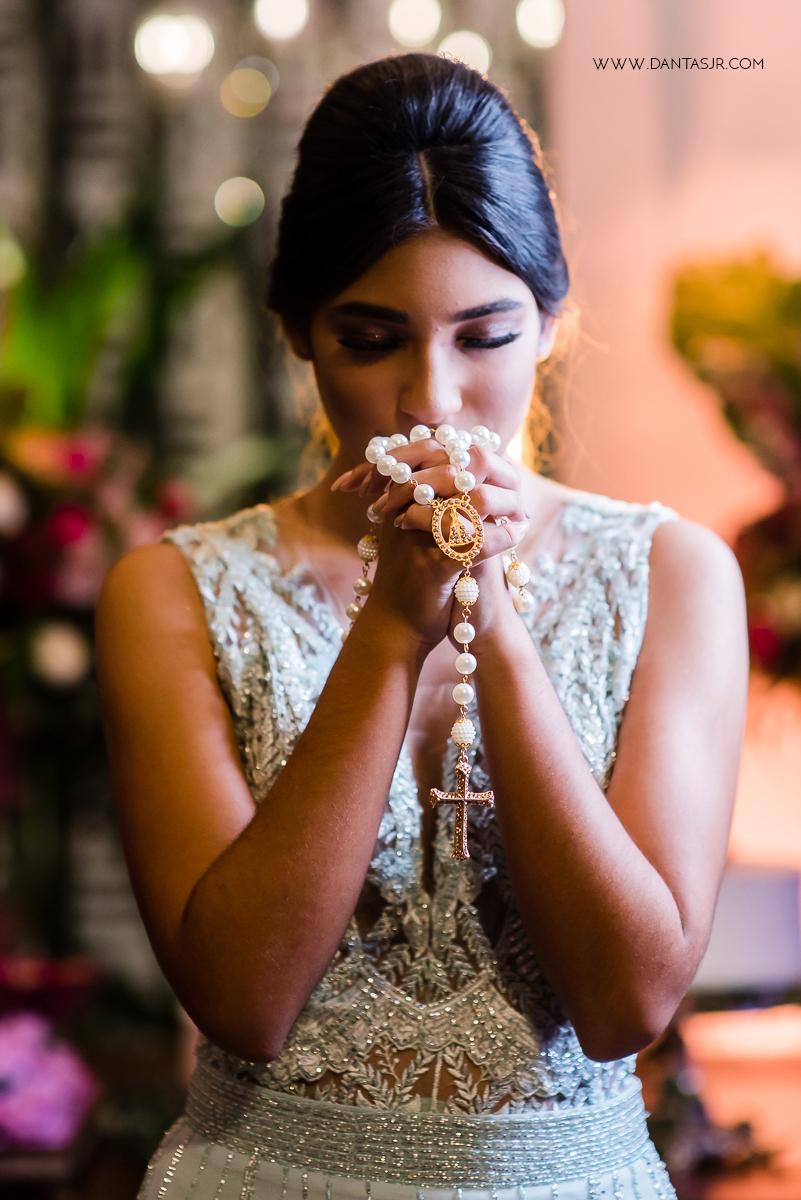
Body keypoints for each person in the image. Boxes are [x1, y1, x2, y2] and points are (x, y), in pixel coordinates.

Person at [95, 53, 748, 1200]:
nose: (431, 401)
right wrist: (394, 626)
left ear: (553, 322)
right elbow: (242, 1001)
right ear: (297, 332)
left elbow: (626, 1004)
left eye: (484, 337)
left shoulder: (675, 574)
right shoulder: (170, 593)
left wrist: (484, 607)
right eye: (371, 338)